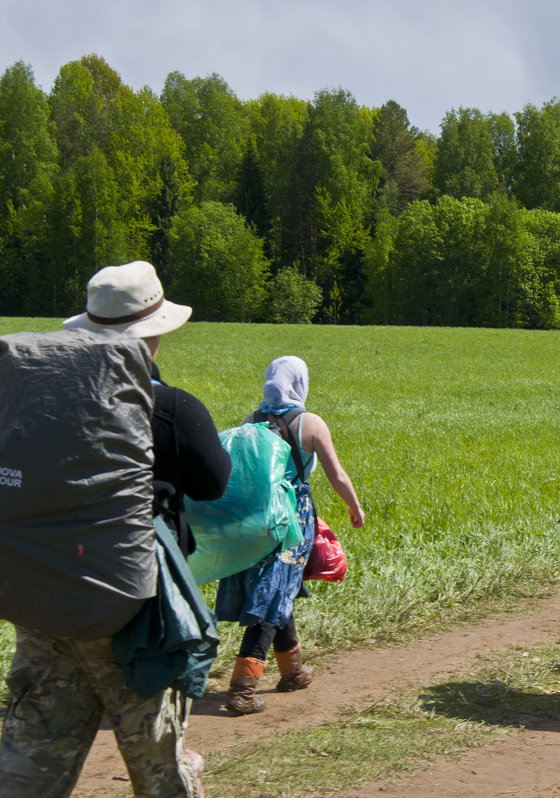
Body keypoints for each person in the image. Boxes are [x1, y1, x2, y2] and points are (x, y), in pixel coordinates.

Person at [1, 262, 229, 797]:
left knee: (29, 761)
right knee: (158, 766)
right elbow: (215, 483)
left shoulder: (36, 404)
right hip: (132, 613)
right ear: (154, 333)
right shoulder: (170, 407)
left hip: (41, 601)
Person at [216, 356, 365, 715]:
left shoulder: (250, 421)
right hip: (290, 517)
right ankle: (242, 689)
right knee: (272, 594)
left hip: (254, 517)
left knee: (278, 585)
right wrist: (355, 507)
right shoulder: (309, 423)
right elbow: (337, 475)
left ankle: (293, 671)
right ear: (300, 382)